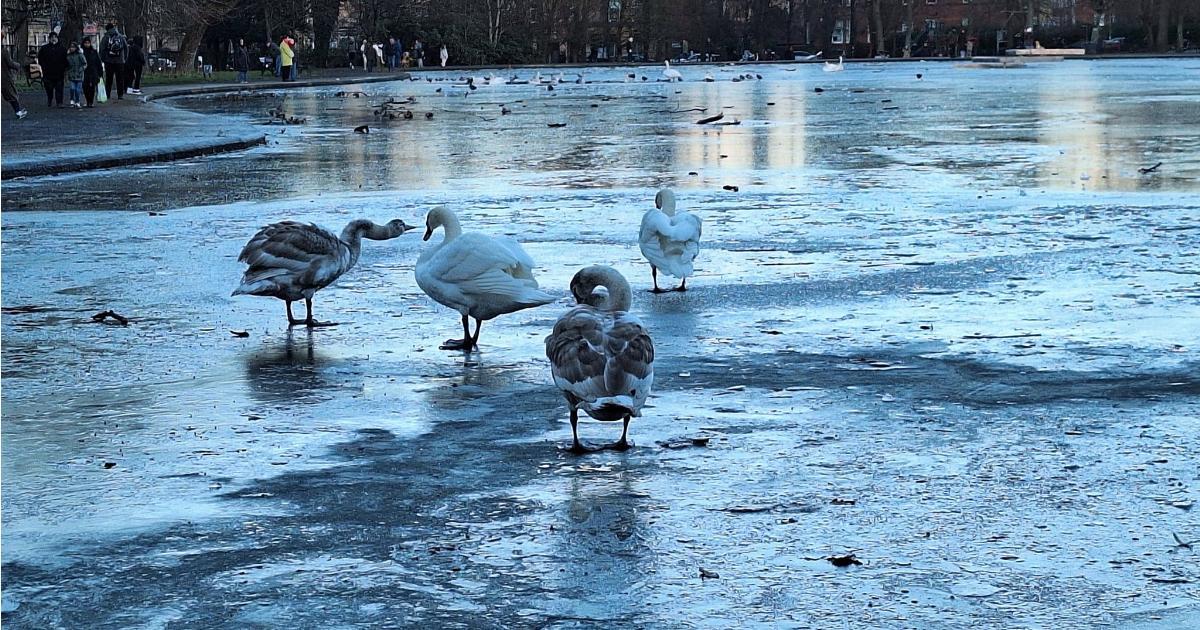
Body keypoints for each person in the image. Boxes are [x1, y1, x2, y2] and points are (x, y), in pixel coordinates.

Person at [38, 31, 68, 108]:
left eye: (55, 37)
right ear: (49, 39)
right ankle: (50, 99)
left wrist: (64, 68)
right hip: (48, 72)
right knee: (49, 88)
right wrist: (44, 67)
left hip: (59, 72)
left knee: (59, 88)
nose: (53, 39)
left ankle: (59, 102)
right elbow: (40, 58)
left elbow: (66, 60)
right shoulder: (44, 48)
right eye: (52, 38)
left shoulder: (62, 49)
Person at [99, 23, 128, 100]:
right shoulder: (121, 37)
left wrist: (103, 59)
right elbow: (126, 48)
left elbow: (102, 49)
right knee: (120, 79)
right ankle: (120, 95)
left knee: (109, 79)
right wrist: (124, 58)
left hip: (109, 61)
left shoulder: (106, 37)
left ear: (107, 29)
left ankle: (108, 94)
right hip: (120, 61)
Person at [2, 47, 28, 118]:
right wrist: (18, 65)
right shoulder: (4, 51)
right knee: (12, 94)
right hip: (4, 77)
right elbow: (10, 63)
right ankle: (18, 112)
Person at [81, 37, 103, 107]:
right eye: (85, 43)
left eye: (88, 43)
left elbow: (98, 62)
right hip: (84, 72)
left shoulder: (94, 51)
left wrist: (100, 73)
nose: (87, 44)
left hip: (93, 71)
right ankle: (88, 100)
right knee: (85, 87)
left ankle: (91, 101)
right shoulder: (81, 52)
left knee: (92, 87)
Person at [66, 40, 86, 108]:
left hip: (79, 75)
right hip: (72, 75)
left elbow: (85, 63)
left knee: (78, 90)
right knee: (72, 88)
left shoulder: (80, 55)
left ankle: (77, 101)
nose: (72, 48)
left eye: (73, 47)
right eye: (71, 47)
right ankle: (72, 99)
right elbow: (66, 65)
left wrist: (81, 69)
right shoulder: (68, 56)